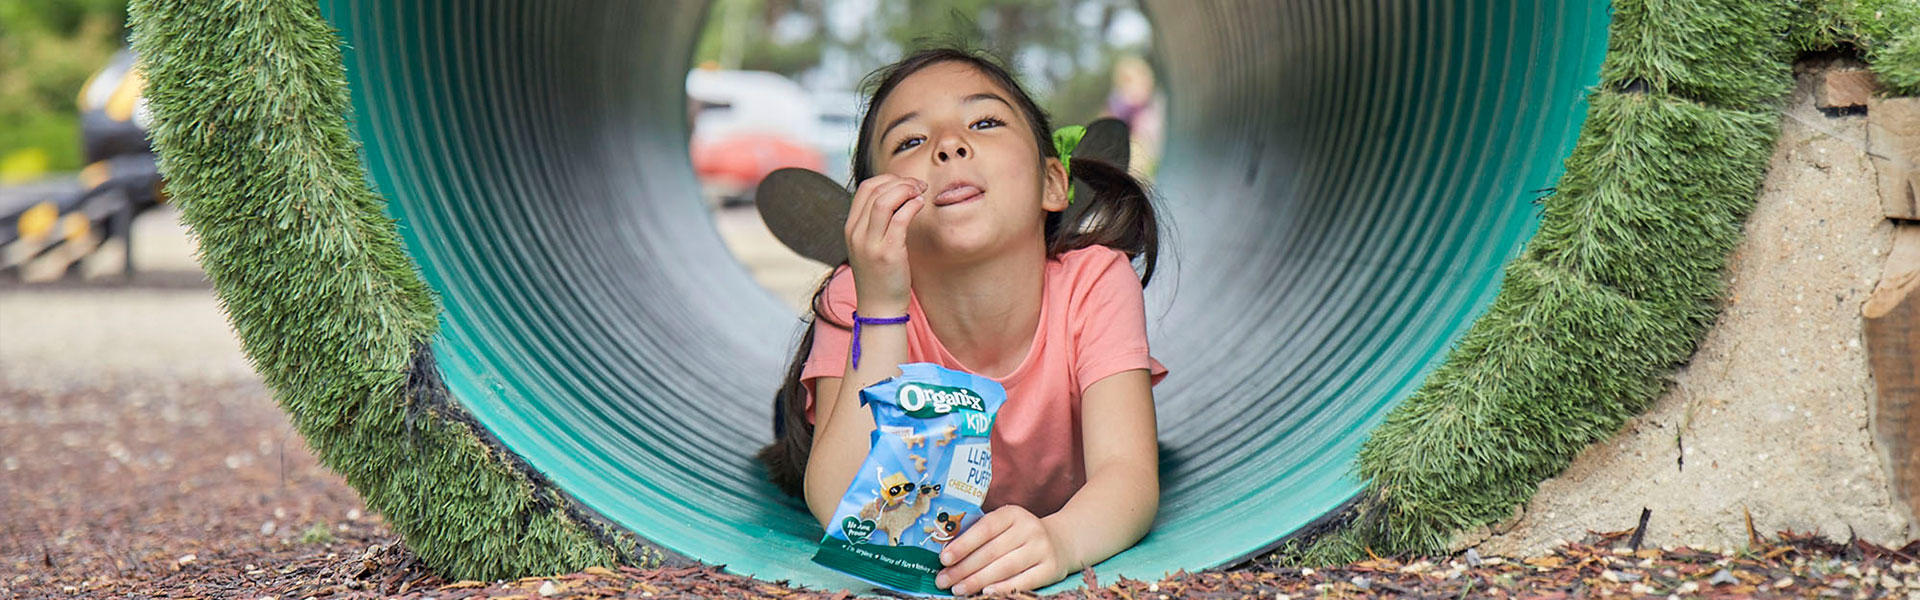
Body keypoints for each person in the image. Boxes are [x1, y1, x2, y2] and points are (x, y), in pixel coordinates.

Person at [755, 46, 1168, 595]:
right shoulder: (859, 295)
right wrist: (879, 308)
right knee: (794, 442)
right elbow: (841, 507)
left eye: (986, 121)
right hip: (859, 422)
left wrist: (1062, 540)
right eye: (910, 141)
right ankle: (800, 411)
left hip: (1040, 487)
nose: (950, 144)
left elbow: (1129, 475)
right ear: (874, 210)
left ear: (1052, 184)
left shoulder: (1094, 282)